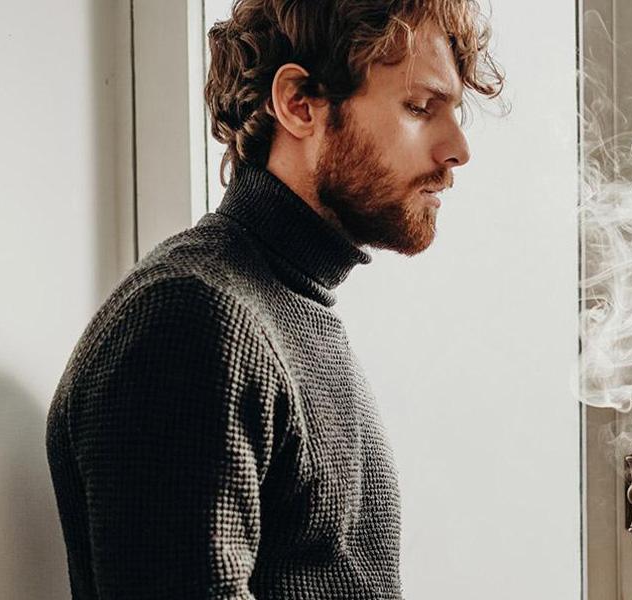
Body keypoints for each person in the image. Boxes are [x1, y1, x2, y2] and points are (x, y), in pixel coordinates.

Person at [45, 1, 504, 598]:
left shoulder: (291, 307)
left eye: (455, 112)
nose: (458, 149)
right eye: (420, 107)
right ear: (299, 103)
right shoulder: (193, 318)